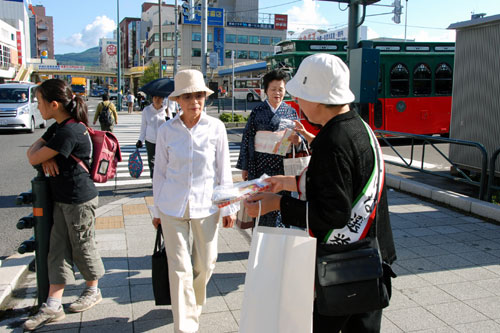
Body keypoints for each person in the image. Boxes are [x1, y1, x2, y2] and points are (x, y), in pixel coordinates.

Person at [244, 54, 396, 333]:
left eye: (301, 96)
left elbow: (332, 214)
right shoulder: (358, 127)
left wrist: (276, 203)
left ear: (317, 98)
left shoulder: (332, 140)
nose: (298, 103)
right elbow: (340, 183)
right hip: (371, 258)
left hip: (343, 267)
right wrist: (288, 183)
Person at [152, 69, 237, 333]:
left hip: (207, 205)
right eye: (188, 96)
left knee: (206, 262)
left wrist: (229, 205)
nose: (194, 102)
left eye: (199, 95)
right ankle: (186, 326)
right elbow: (160, 173)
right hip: (171, 206)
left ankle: (191, 307)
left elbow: (224, 169)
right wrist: (156, 209)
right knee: (179, 268)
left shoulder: (216, 128)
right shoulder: (166, 130)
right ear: (178, 100)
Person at [24, 79, 104, 331]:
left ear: (54, 104)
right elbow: (33, 154)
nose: (37, 108)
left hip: (79, 200)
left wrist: (44, 157)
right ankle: (53, 304)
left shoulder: (69, 131)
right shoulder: (60, 127)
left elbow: (35, 155)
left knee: (82, 245)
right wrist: (45, 159)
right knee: (56, 249)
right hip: (63, 198)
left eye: (39, 102)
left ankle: (93, 290)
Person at [236, 69, 303, 227]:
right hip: (259, 164)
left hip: (282, 167)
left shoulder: (291, 112)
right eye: (273, 89)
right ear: (266, 91)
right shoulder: (257, 111)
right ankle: (261, 245)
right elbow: (247, 139)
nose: (277, 93)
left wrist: (298, 140)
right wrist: (245, 167)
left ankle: (279, 246)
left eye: (280, 89)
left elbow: (300, 138)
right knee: (260, 206)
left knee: (281, 206)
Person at [136, 95, 167, 178]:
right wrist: (140, 140)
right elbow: (143, 126)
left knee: (163, 161)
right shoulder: (147, 110)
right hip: (150, 140)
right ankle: (154, 181)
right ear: (152, 98)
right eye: (155, 97)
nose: (157, 99)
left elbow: (171, 127)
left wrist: (169, 120)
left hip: (163, 141)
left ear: (163, 99)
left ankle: (162, 179)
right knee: (152, 162)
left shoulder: (166, 110)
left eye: (160, 97)